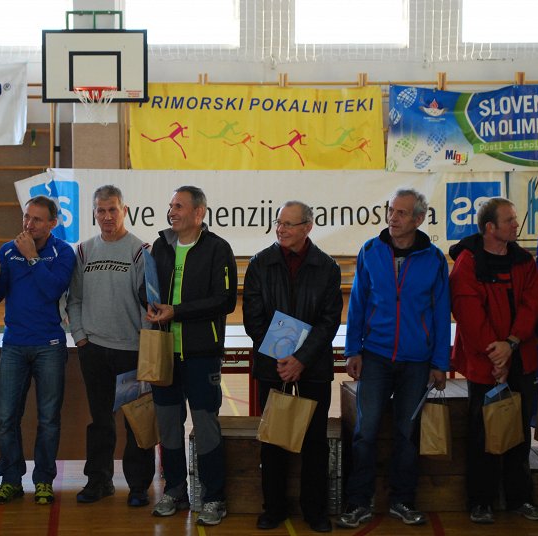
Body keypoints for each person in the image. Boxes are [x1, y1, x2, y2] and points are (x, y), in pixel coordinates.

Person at [337, 188, 450, 528]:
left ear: (418, 219)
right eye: (391, 211)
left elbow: (441, 313)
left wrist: (440, 363)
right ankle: (359, 502)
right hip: (375, 356)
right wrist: (353, 349)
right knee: (365, 431)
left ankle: (403, 500)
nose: (393, 218)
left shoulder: (434, 259)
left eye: (401, 213)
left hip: (417, 361)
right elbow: (358, 303)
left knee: (407, 433)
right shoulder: (370, 251)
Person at [243, 201, 342, 532]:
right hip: (273, 368)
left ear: (307, 227)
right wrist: (283, 358)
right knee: (273, 441)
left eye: (288, 224)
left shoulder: (327, 267)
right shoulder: (259, 264)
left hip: (313, 368)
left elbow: (329, 321)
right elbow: (253, 319)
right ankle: (274, 509)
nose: (281, 229)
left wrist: (301, 359)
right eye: (278, 222)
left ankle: (315, 511)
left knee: (315, 442)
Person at [449, 197, 538, 523]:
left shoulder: (524, 261)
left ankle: (521, 499)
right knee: (483, 435)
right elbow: (468, 313)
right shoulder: (467, 263)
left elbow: (532, 305)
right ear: (490, 227)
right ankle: (481, 501)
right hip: (485, 364)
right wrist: (496, 354)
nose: (517, 225)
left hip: (520, 359)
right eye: (510, 220)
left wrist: (511, 343)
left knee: (519, 434)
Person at [146, 185, 238, 526]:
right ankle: (175, 491)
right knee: (169, 427)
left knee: (205, 427)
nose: (172, 211)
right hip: (164, 354)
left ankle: (214, 498)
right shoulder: (160, 245)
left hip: (201, 355)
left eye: (179, 206)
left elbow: (225, 300)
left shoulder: (218, 248)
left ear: (199, 213)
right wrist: (150, 304)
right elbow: (147, 287)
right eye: (170, 205)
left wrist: (177, 311)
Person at [0, 196, 75, 505]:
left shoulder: (63, 252)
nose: (28, 224)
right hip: (14, 345)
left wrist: (33, 258)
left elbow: (53, 290)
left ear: (52, 223)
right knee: (7, 418)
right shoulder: (9, 250)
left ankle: (44, 480)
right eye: (26, 217)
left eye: (37, 219)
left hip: (49, 346)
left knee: (48, 419)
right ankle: (11, 480)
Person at [66, 185, 155, 507]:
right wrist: (80, 337)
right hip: (94, 351)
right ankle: (99, 480)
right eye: (101, 211)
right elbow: (74, 300)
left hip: (131, 352)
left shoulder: (140, 251)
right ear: (94, 213)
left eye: (112, 210)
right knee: (100, 421)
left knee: (136, 421)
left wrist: (145, 348)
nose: (107, 216)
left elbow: (150, 306)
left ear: (124, 211)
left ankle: (138, 486)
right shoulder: (84, 251)